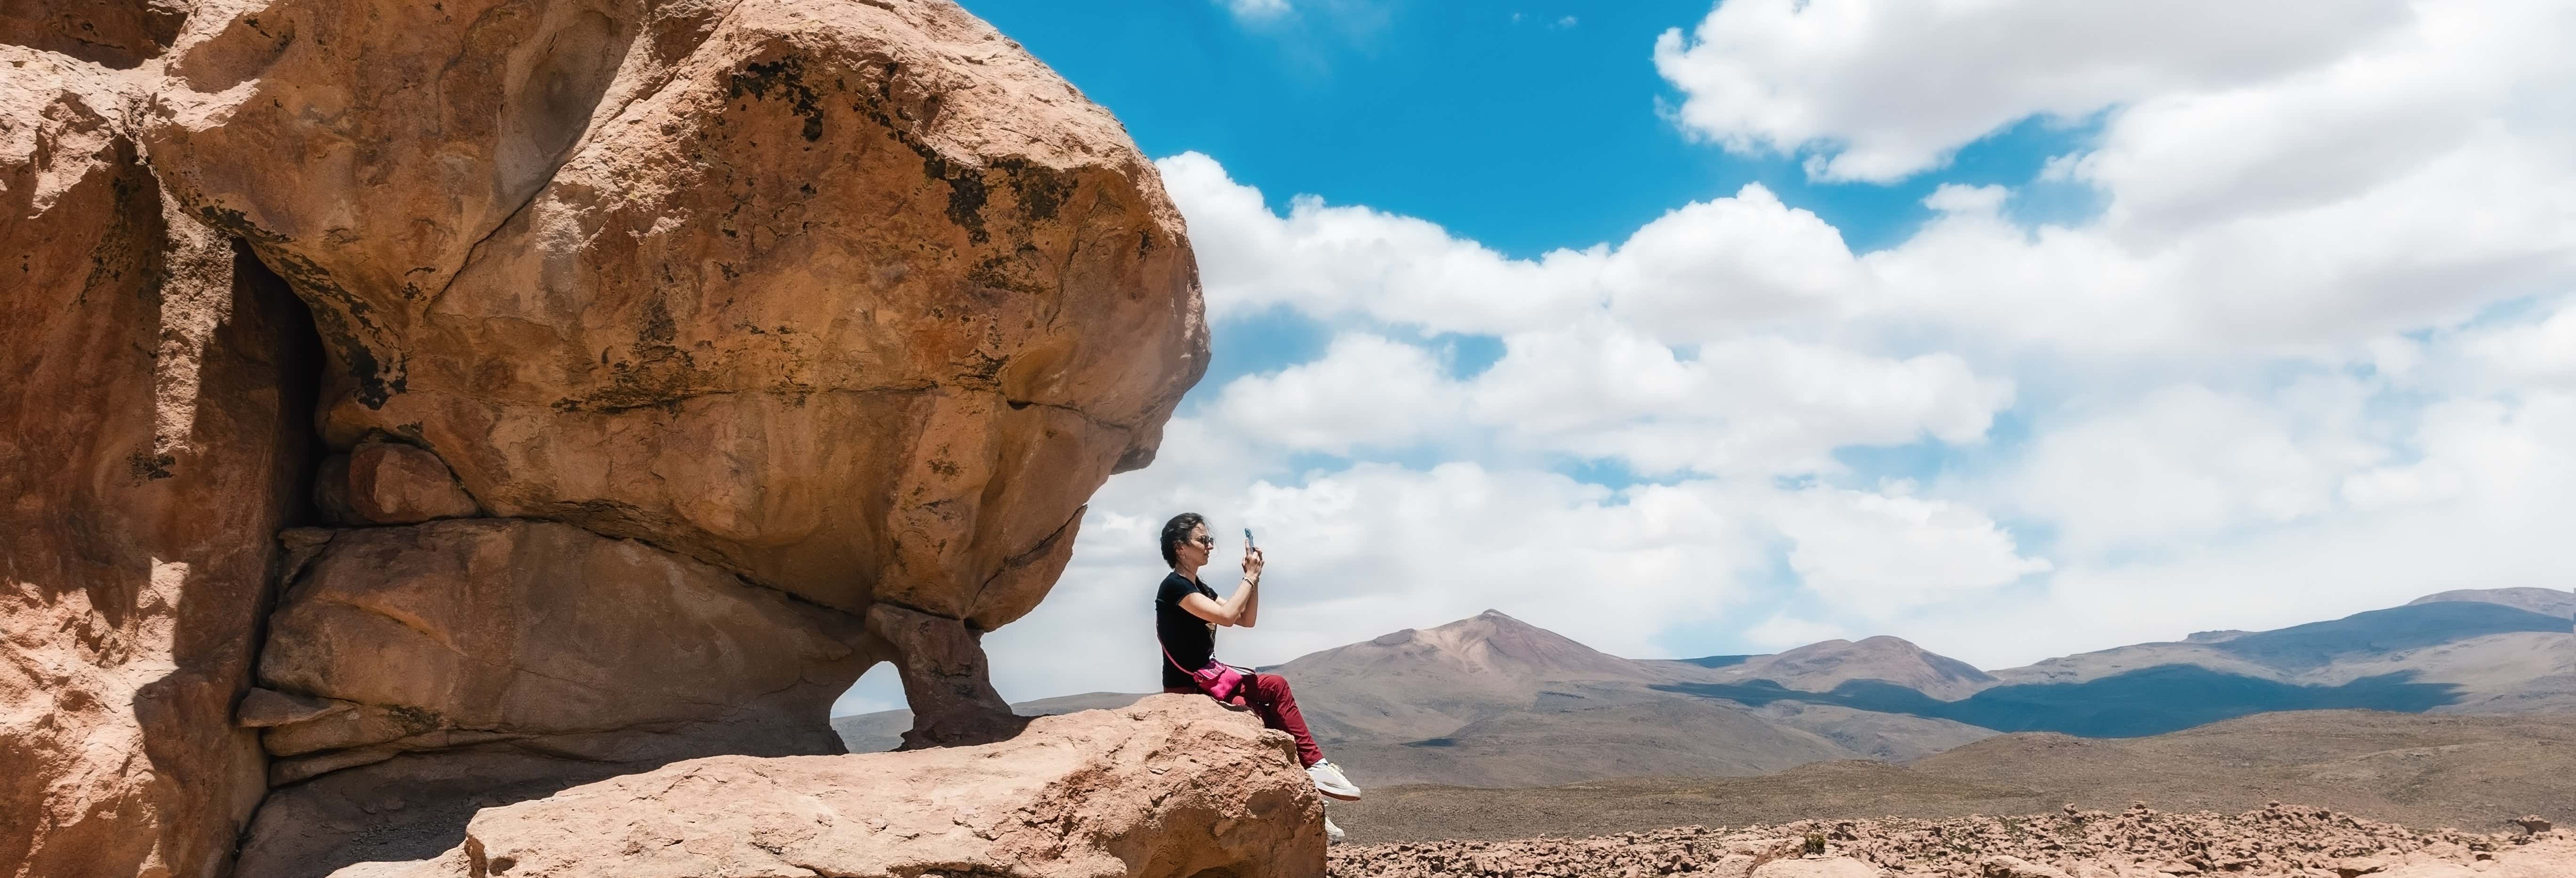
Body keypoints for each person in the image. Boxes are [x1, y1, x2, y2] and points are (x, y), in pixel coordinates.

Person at [1154, 512, 1360, 843]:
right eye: (1203, 540)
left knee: (1275, 687)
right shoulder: (1174, 587)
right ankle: (1305, 791)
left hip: (1211, 682)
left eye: (1210, 540)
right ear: (1180, 547)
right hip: (1189, 689)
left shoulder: (1199, 587)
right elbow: (1226, 615)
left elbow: (1245, 619)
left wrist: (1256, 579)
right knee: (1251, 711)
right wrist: (1248, 578)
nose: (1210, 546)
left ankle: (1314, 770)